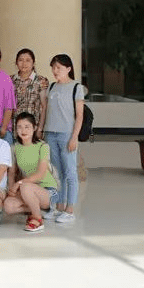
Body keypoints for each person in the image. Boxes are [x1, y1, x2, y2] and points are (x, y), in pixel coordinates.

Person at [43, 53, 86, 224]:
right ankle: (58, 206)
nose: (55, 71)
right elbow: (46, 111)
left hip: (67, 135)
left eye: (58, 68)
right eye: (53, 67)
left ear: (68, 69)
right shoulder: (51, 87)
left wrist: (74, 137)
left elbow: (80, 116)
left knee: (70, 173)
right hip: (50, 134)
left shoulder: (76, 87)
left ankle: (70, 209)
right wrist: (41, 129)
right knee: (56, 173)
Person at [4, 112, 59, 232]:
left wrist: (18, 184)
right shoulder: (15, 147)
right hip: (28, 189)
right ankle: (37, 210)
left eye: (27, 126)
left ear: (34, 128)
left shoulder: (42, 146)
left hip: (48, 191)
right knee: (8, 205)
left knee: (25, 187)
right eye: (19, 127)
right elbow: (12, 173)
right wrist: (11, 189)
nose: (23, 130)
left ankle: (38, 219)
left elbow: (40, 175)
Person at [13, 48, 49, 138]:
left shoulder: (41, 81)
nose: (24, 63)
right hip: (15, 127)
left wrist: (40, 128)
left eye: (28, 60)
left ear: (33, 63)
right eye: (21, 60)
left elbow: (44, 106)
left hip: (34, 127)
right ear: (16, 62)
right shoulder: (10, 80)